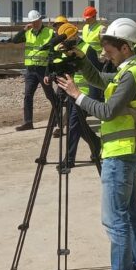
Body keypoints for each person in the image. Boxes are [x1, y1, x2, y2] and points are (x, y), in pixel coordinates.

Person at [55, 18, 136, 270]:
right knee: (130, 213)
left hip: (120, 153)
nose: (106, 56)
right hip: (126, 150)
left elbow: (107, 111)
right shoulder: (130, 70)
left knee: (116, 221)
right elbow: (98, 78)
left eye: (109, 51)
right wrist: (80, 59)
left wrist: (77, 95)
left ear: (125, 47)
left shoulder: (132, 75)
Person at [44, 23, 101, 169]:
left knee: (73, 124)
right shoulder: (62, 48)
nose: (65, 42)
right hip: (70, 91)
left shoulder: (88, 49)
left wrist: (94, 97)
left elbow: (96, 75)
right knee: (78, 124)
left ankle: (69, 159)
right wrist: (49, 75)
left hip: (84, 93)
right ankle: (96, 143)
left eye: (68, 38)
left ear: (75, 35)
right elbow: (57, 64)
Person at [2, 9, 55, 131]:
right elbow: (15, 40)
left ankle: (58, 118)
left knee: (50, 95)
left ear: (40, 20)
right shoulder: (28, 33)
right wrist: (24, 30)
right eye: (32, 22)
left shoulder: (49, 32)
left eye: (36, 21)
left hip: (43, 69)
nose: (34, 24)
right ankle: (28, 122)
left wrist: (50, 70)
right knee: (28, 95)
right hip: (31, 70)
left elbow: (54, 50)